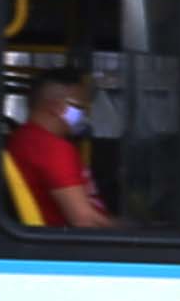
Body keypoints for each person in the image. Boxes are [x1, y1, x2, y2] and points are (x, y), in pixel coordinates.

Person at [7, 82, 113, 228]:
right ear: (56, 107)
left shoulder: (22, 138)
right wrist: (129, 232)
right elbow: (84, 220)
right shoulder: (51, 148)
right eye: (78, 107)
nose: (82, 114)